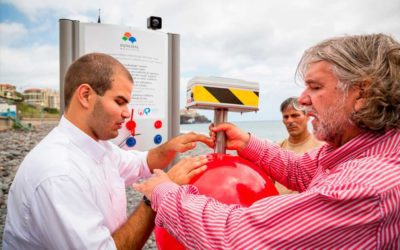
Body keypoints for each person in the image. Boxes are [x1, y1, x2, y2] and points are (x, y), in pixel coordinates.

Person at [134, 34, 400, 249]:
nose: (303, 98)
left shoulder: (367, 187)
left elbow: (238, 238)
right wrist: (247, 142)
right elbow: (301, 170)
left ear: (362, 93)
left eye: (315, 87)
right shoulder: (362, 150)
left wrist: (163, 190)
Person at [2, 53, 212, 250]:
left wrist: (169, 147)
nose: (127, 112)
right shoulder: (59, 174)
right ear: (85, 95)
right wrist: (156, 196)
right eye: (119, 101)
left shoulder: (96, 146)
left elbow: (141, 163)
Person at [275, 97, 324, 194]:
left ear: (307, 117)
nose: (289, 121)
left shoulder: (321, 148)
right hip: (278, 206)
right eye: (286, 117)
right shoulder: (277, 147)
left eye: (295, 115)